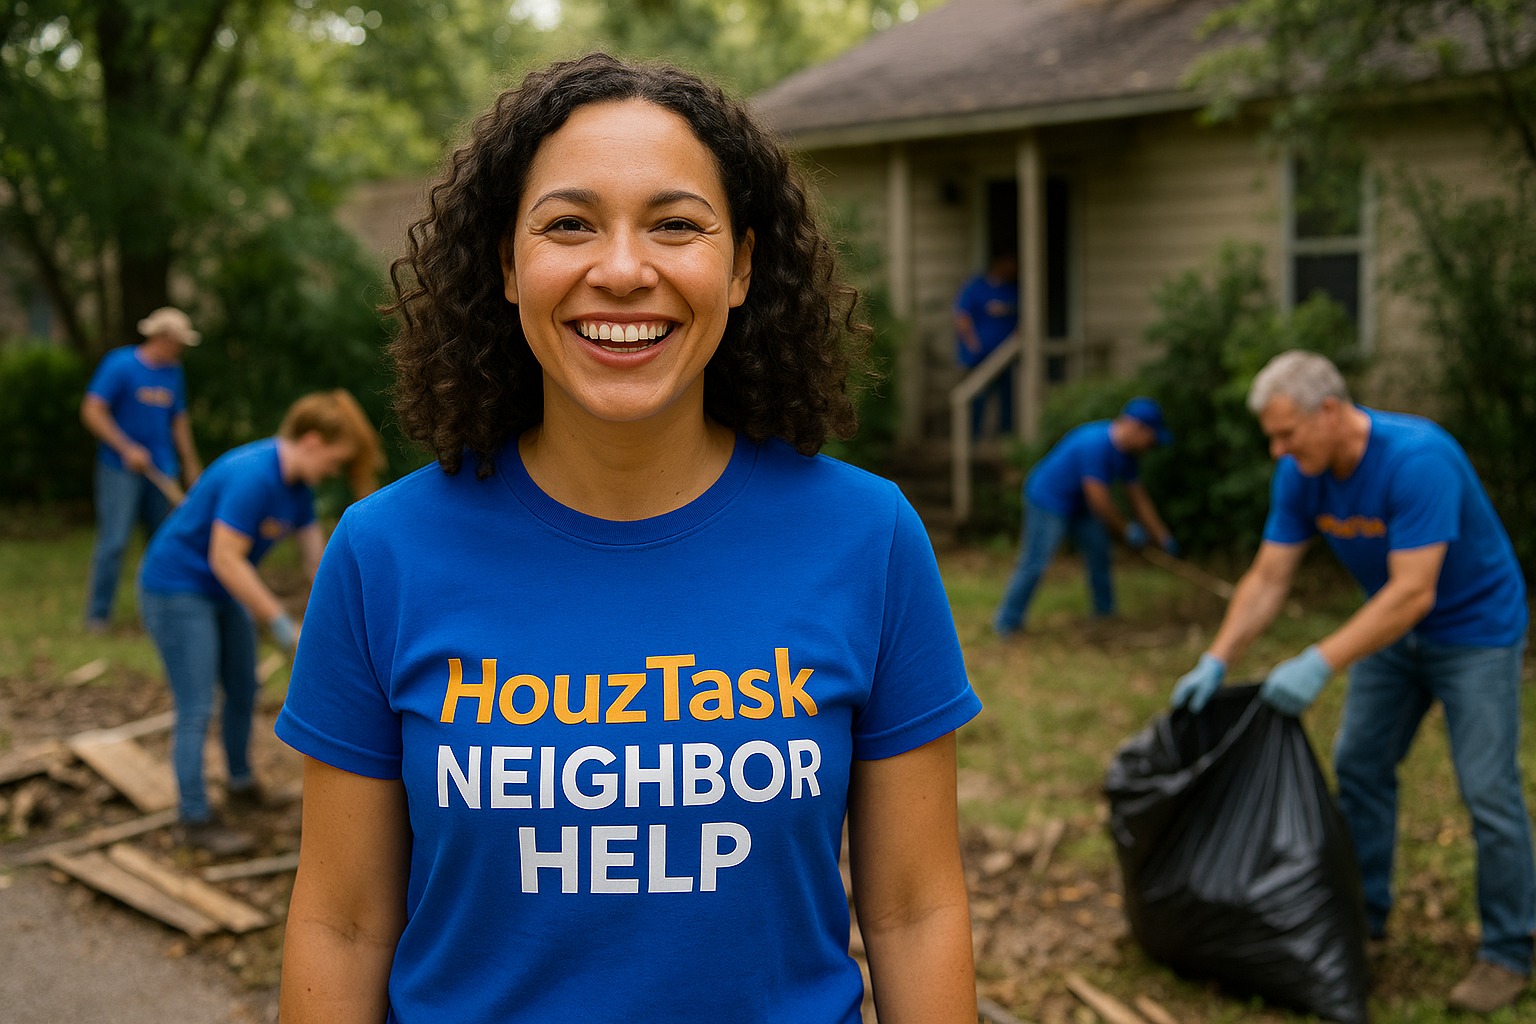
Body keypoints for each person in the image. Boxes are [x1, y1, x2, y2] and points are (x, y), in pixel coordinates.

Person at [275, 53, 981, 1024]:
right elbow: (344, 922)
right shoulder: (382, 552)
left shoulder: (869, 538)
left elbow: (913, 909)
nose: (620, 270)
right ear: (507, 265)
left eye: (675, 225)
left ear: (741, 266)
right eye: (569, 224)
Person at [1169, 350, 1534, 1015]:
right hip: (1392, 636)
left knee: (1488, 791)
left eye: (1287, 433)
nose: (1278, 450)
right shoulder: (1300, 473)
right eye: (1272, 437)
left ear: (1331, 411)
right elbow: (1269, 576)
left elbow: (1414, 592)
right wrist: (1217, 657)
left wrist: (1320, 661)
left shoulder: (1416, 459)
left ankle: (1509, 950)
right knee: (1360, 766)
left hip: (1475, 632)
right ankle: (1364, 919)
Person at [138, 390, 382, 854]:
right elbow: (226, 558)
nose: (334, 471)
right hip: (176, 588)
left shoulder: (298, 490)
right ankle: (194, 819)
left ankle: (240, 784)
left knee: (244, 688)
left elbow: (318, 564)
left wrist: (349, 615)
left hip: (220, 589)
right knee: (196, 705)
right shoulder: (253, 475)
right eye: (334, 460)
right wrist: (281, 623)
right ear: (312, 441)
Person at [993, 397, 1177, 635]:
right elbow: (1098, 500)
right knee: (1035, 561)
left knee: (1099, 552)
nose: (1151, 445)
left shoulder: (1127, 455)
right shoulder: (1096, 444)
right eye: (1151, 438)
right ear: (1137, 427)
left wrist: (1162, 536)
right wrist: (1125, 530)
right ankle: (1007, 623)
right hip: (1049, 499)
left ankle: (1105, 616)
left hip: (1080, 505)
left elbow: (1138, 498)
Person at [80, 307, 203, 632]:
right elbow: (92, 411)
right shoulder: (120, 364)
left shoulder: (173, 371)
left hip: (162, 468)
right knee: (114, 541)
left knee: (162, 542)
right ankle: (98, 616)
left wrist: (191, 465)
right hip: (119, 468)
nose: (181, 349)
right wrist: (126, 448)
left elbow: (178, 420)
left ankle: (157, 614)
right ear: (163, 338)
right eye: (179, 342)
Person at [953, 252, 1019, 437]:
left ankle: (1005, 436)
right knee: (977, 398)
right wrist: (973, 345)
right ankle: (972, 438)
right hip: (980, 356)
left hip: (1005, 355)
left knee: (1006, 399)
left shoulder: (1013, 289)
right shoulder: (976, 286)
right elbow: (961, 316)